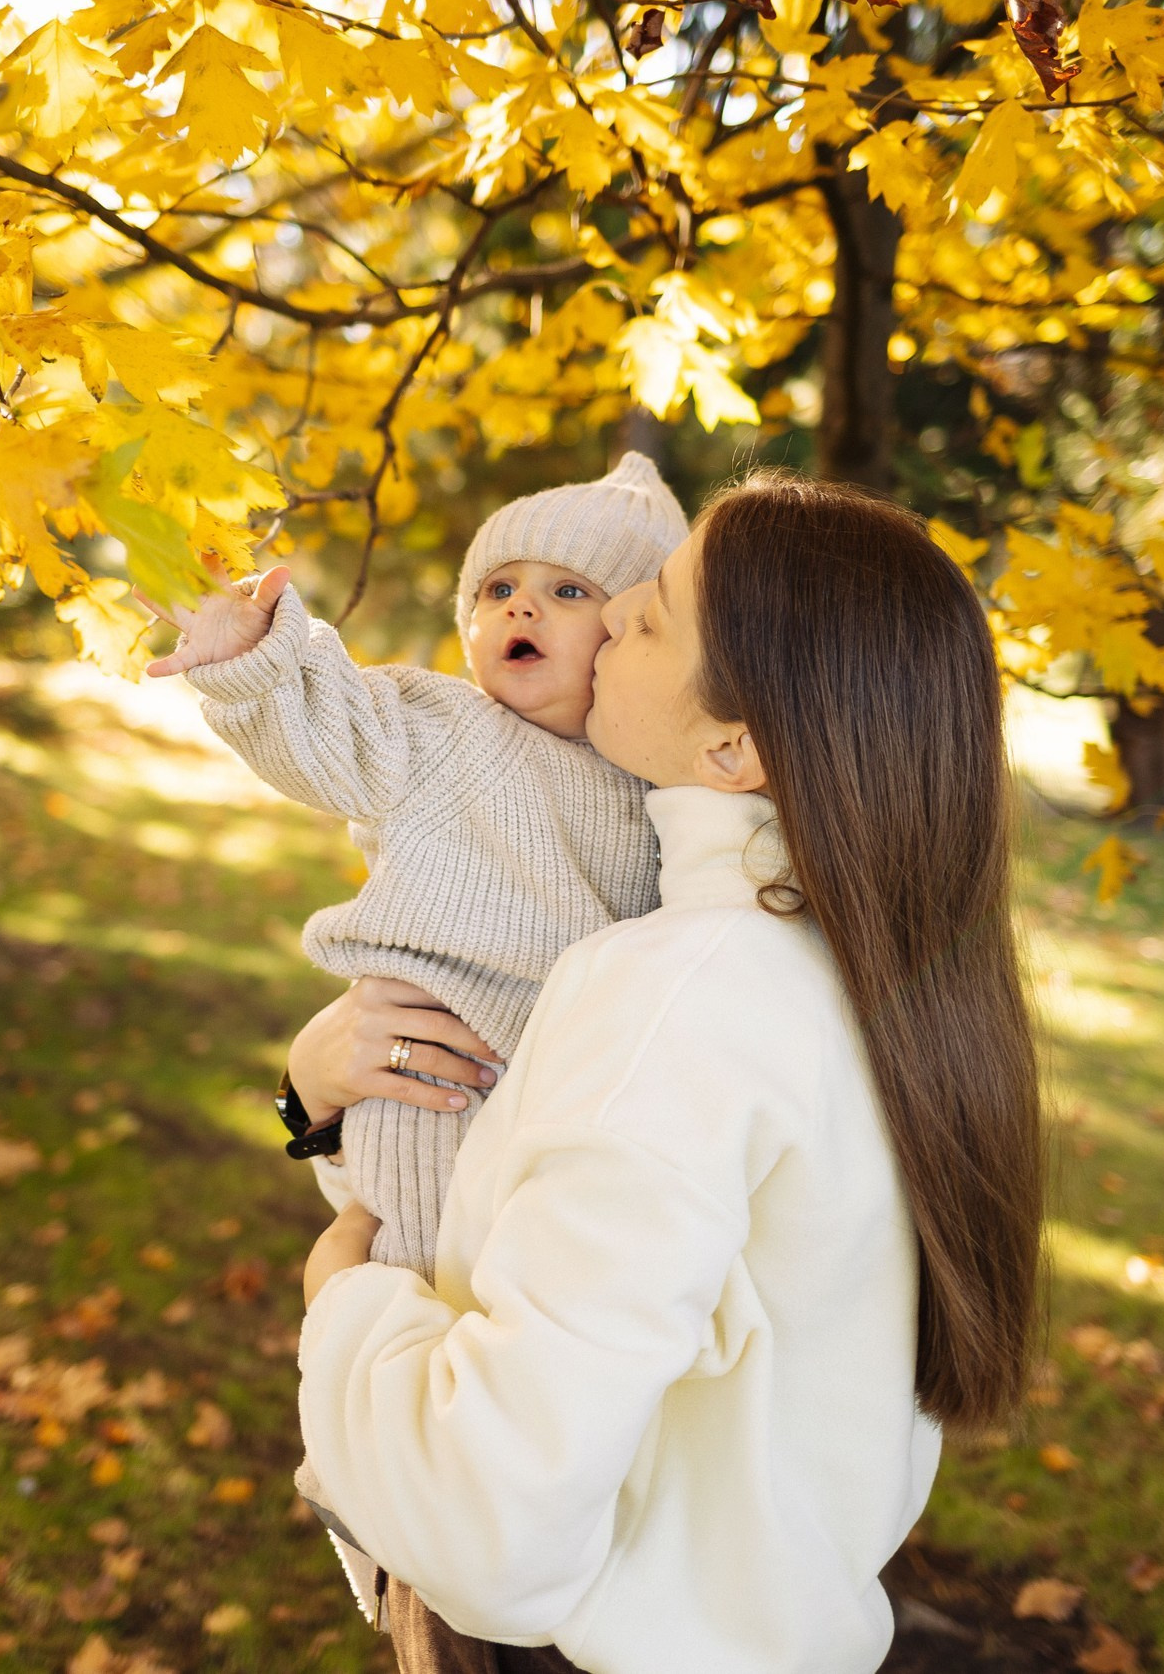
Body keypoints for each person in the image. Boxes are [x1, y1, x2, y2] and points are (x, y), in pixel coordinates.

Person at [290, 472, 1047, 1674]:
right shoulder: (864, 976)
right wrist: (314, 1094)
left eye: (647, 614)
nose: (606, 614)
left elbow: (490, 1519)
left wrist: (343, 1302)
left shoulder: (678, 995)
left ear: (732, 745)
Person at [145, 453, 689, 1278]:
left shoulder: (665, 784)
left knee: (553, 1277)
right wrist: (255, 659)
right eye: (498, 589)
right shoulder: (445, 728)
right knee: (431, 1268)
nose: (522, 605)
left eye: (569, 590)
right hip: (436, 1077)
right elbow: (331, 730)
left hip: (578, 1100)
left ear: (634, 631)